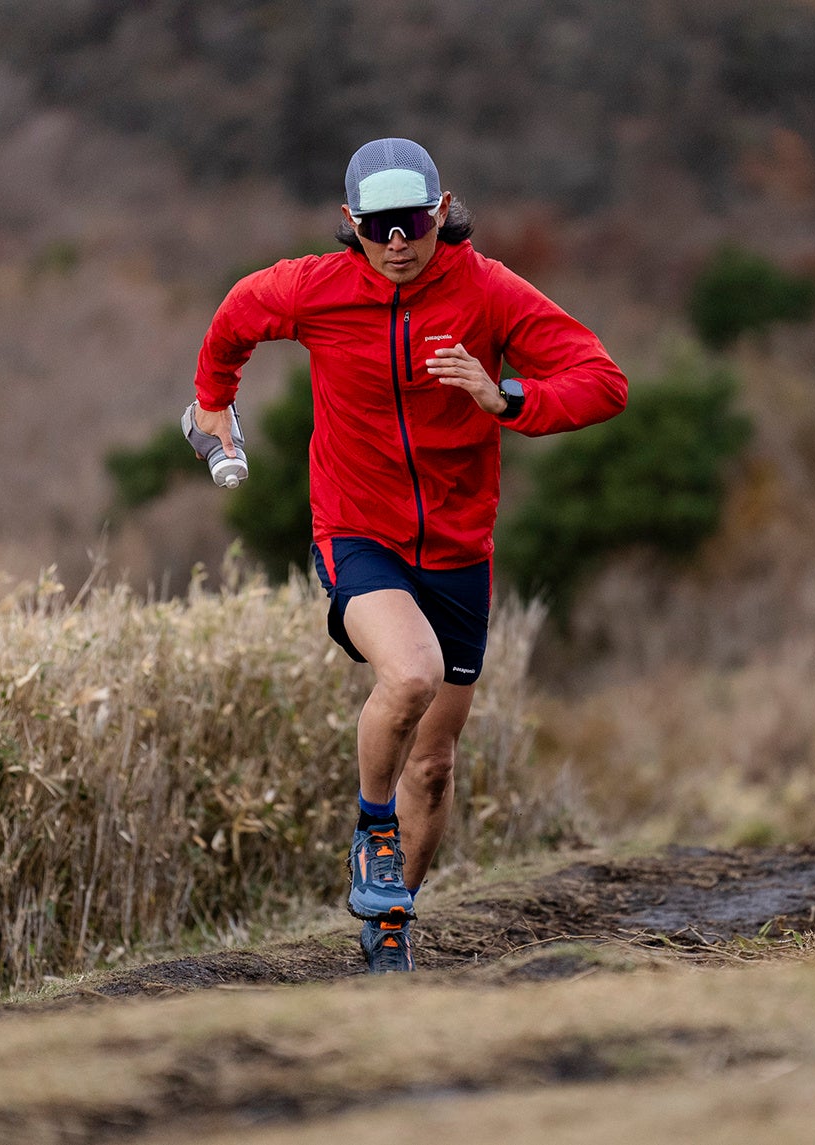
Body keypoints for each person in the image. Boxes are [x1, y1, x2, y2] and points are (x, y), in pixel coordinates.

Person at [190, 137, 627, 973]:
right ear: (351, 222)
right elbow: (239, 312)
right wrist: (214, 401)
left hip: (460, 547)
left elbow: (603, 380)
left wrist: (505, 396)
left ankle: (391, 924)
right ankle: (371, 831)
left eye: (413, 222)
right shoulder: (317, 289)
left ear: (443, 210)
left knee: (434, 761)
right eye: (379, 225)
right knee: (412, 675)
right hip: (358, 529)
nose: (397, 242)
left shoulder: (488, 292)